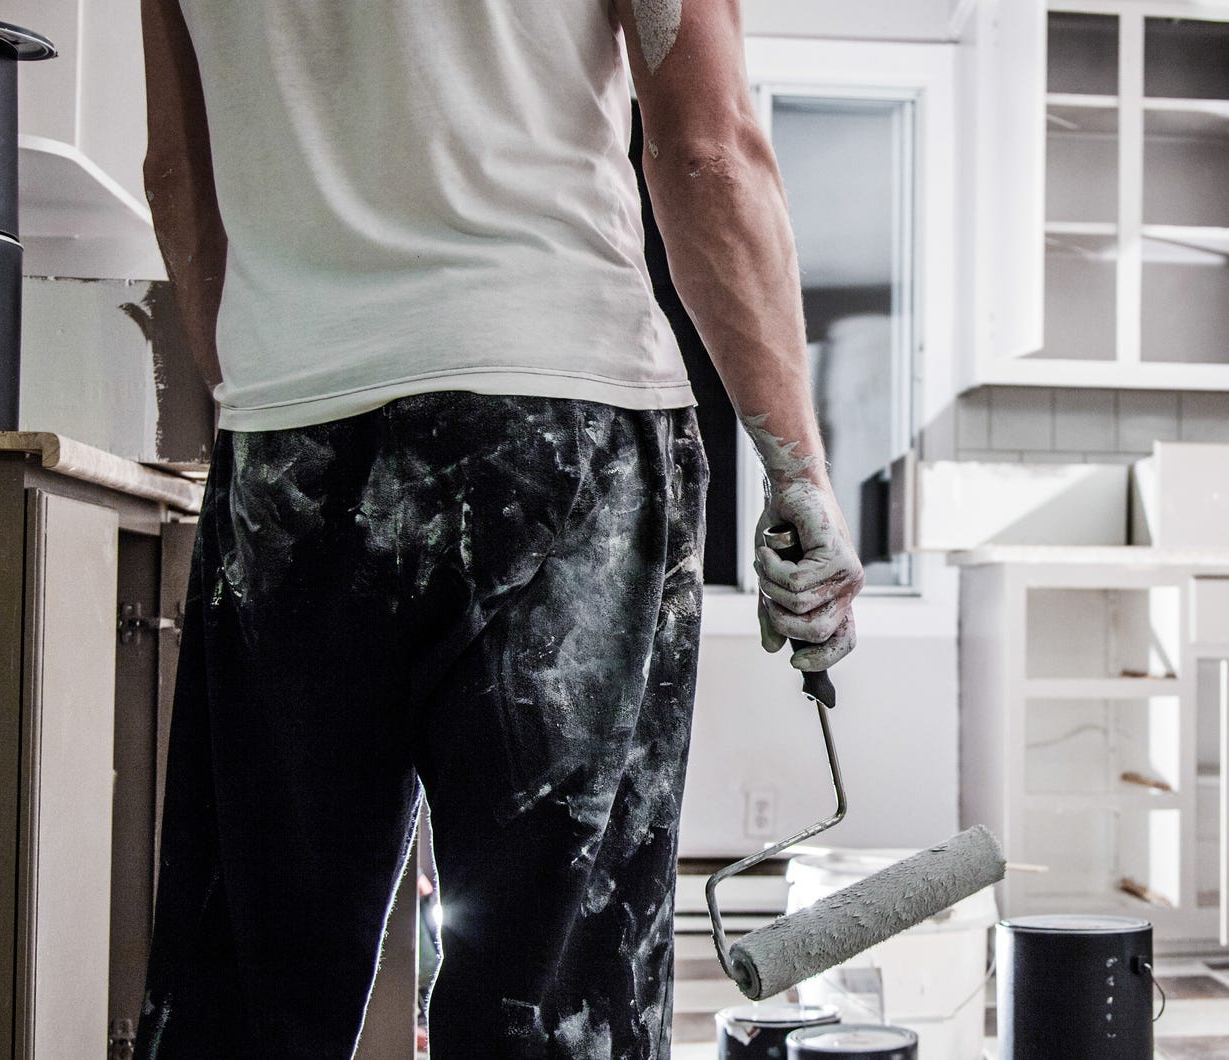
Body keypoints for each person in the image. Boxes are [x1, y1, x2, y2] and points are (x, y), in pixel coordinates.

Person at [133, 0, 862, 1055]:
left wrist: (275, 397)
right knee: (550, 998)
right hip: (559, 420)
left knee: (257, 982)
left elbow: (176, 176)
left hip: (291, 440)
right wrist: (797, 466)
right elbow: (706, 152)